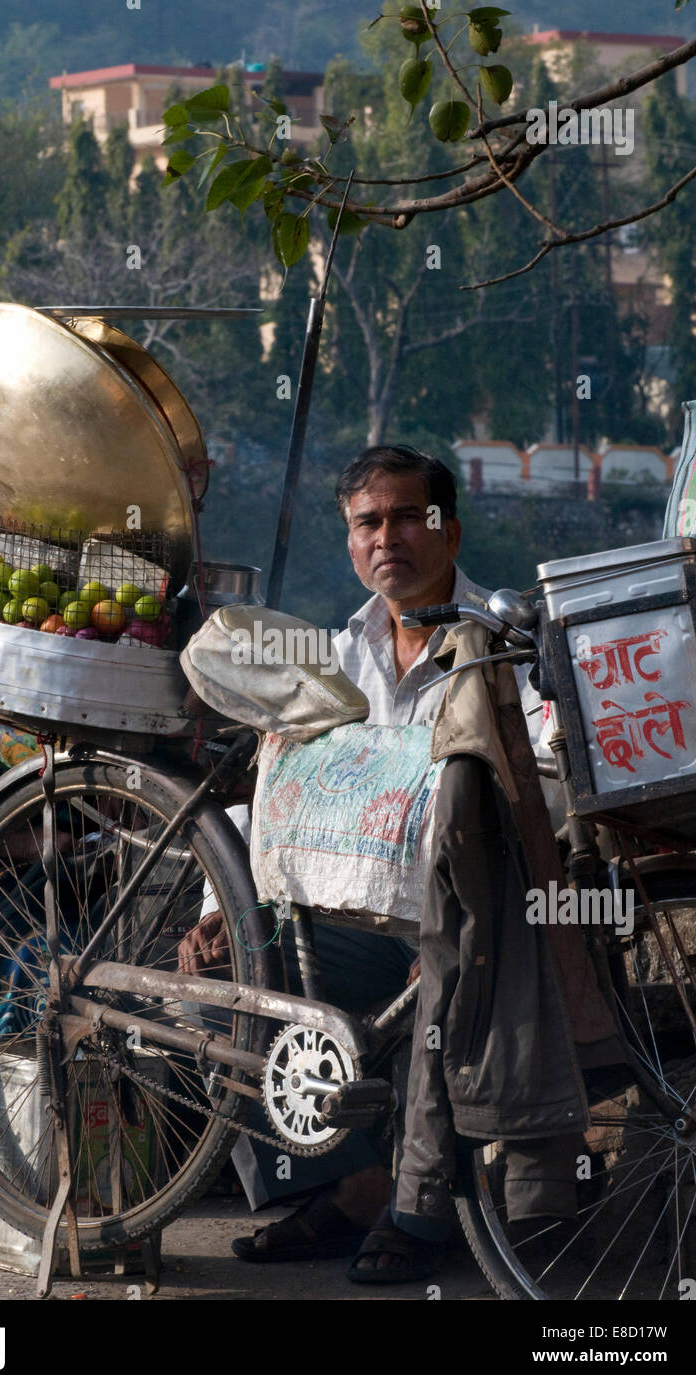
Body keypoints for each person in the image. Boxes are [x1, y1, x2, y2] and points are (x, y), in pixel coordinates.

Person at [179, 444, 548, 1282]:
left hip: (472, 920)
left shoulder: (506, 642)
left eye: (406, 517)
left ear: (446, 530)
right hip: (350, 922)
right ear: (349, 541)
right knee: (222, 983)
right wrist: (216, 905)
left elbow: (545, 785)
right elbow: (274, 792)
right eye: (366, 523)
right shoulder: (335, 656)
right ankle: (352, 1187)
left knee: (441, 986)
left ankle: (414, 1212)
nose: (388, 538)